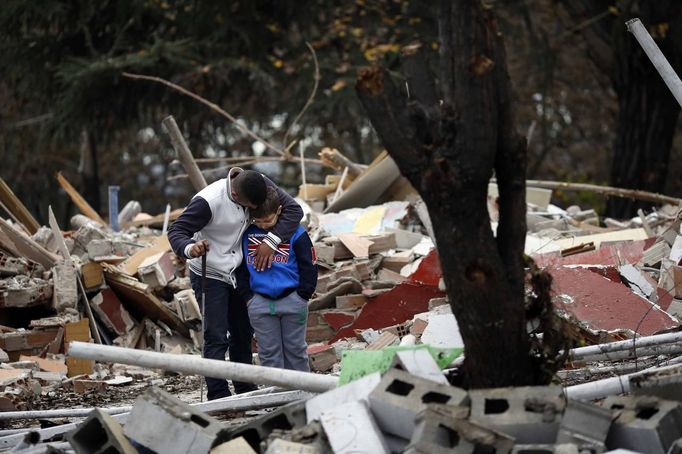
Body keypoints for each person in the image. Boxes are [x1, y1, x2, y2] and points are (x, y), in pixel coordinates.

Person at [168, 168, 303, 399]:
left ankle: (244, 387)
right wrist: (191, 248)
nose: (253, 213)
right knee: (216, 335)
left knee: (242, 333)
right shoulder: (208, 202)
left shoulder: (259, 183)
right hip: (209, 272)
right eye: (250, 207)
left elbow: (293, 210)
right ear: (237, 196)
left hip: (239, 271)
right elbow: (177, 230)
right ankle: (218, 394)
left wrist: (271, 240)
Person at [240, 187, 317, 371]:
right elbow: (240, 268)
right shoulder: (246, 235)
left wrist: (302, 295)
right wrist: (249, 298)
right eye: (258, 221)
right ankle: (276, 397)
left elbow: (309, 265)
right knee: (268, 354)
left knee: (296, 350)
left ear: (279, 210)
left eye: (267, 220)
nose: (264, 226)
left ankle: (303, 394)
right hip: (259, 303)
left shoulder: (296, 234)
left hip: (293, 300)